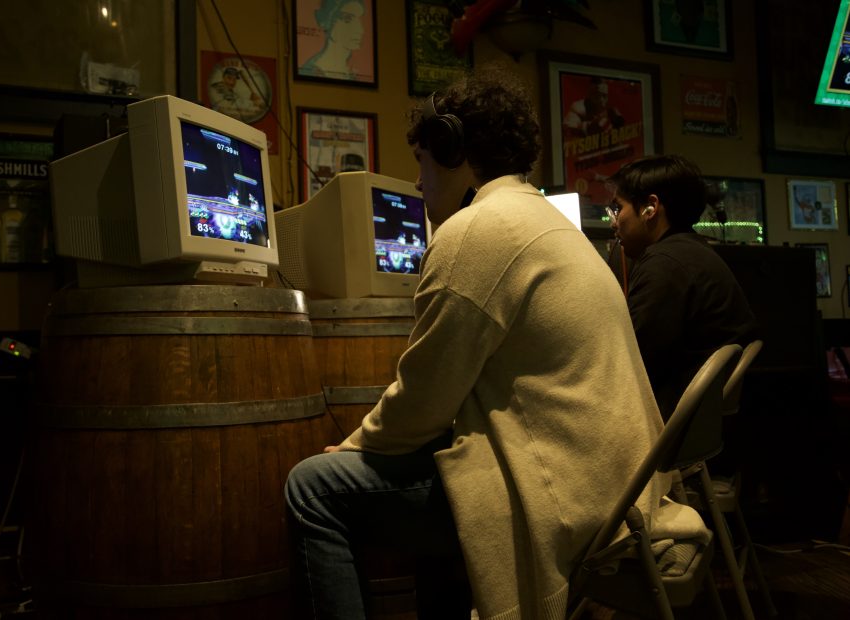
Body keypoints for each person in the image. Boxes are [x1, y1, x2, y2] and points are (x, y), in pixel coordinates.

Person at [285, 69, 709, 619]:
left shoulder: (475, 232)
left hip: (568, 497)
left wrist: (350, 448)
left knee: (312, 488)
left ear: (453, 150)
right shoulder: (551, 225)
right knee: (438, 462)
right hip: (618, 485)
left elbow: (422, 403)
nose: (417, 182)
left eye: (421, 161)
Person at [607, 154, 760, 420]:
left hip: (668, 420)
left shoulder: (665, 266)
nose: (614, 221)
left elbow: (629, 365)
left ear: (650, 208)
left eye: (618, 208)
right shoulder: (691, 252)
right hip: (703, 424)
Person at [300, 0, 366, 80]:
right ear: (327, 22)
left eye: (359, 20)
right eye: (347, 19)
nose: (360, 30)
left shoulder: (352, 73)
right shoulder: (311, 72)